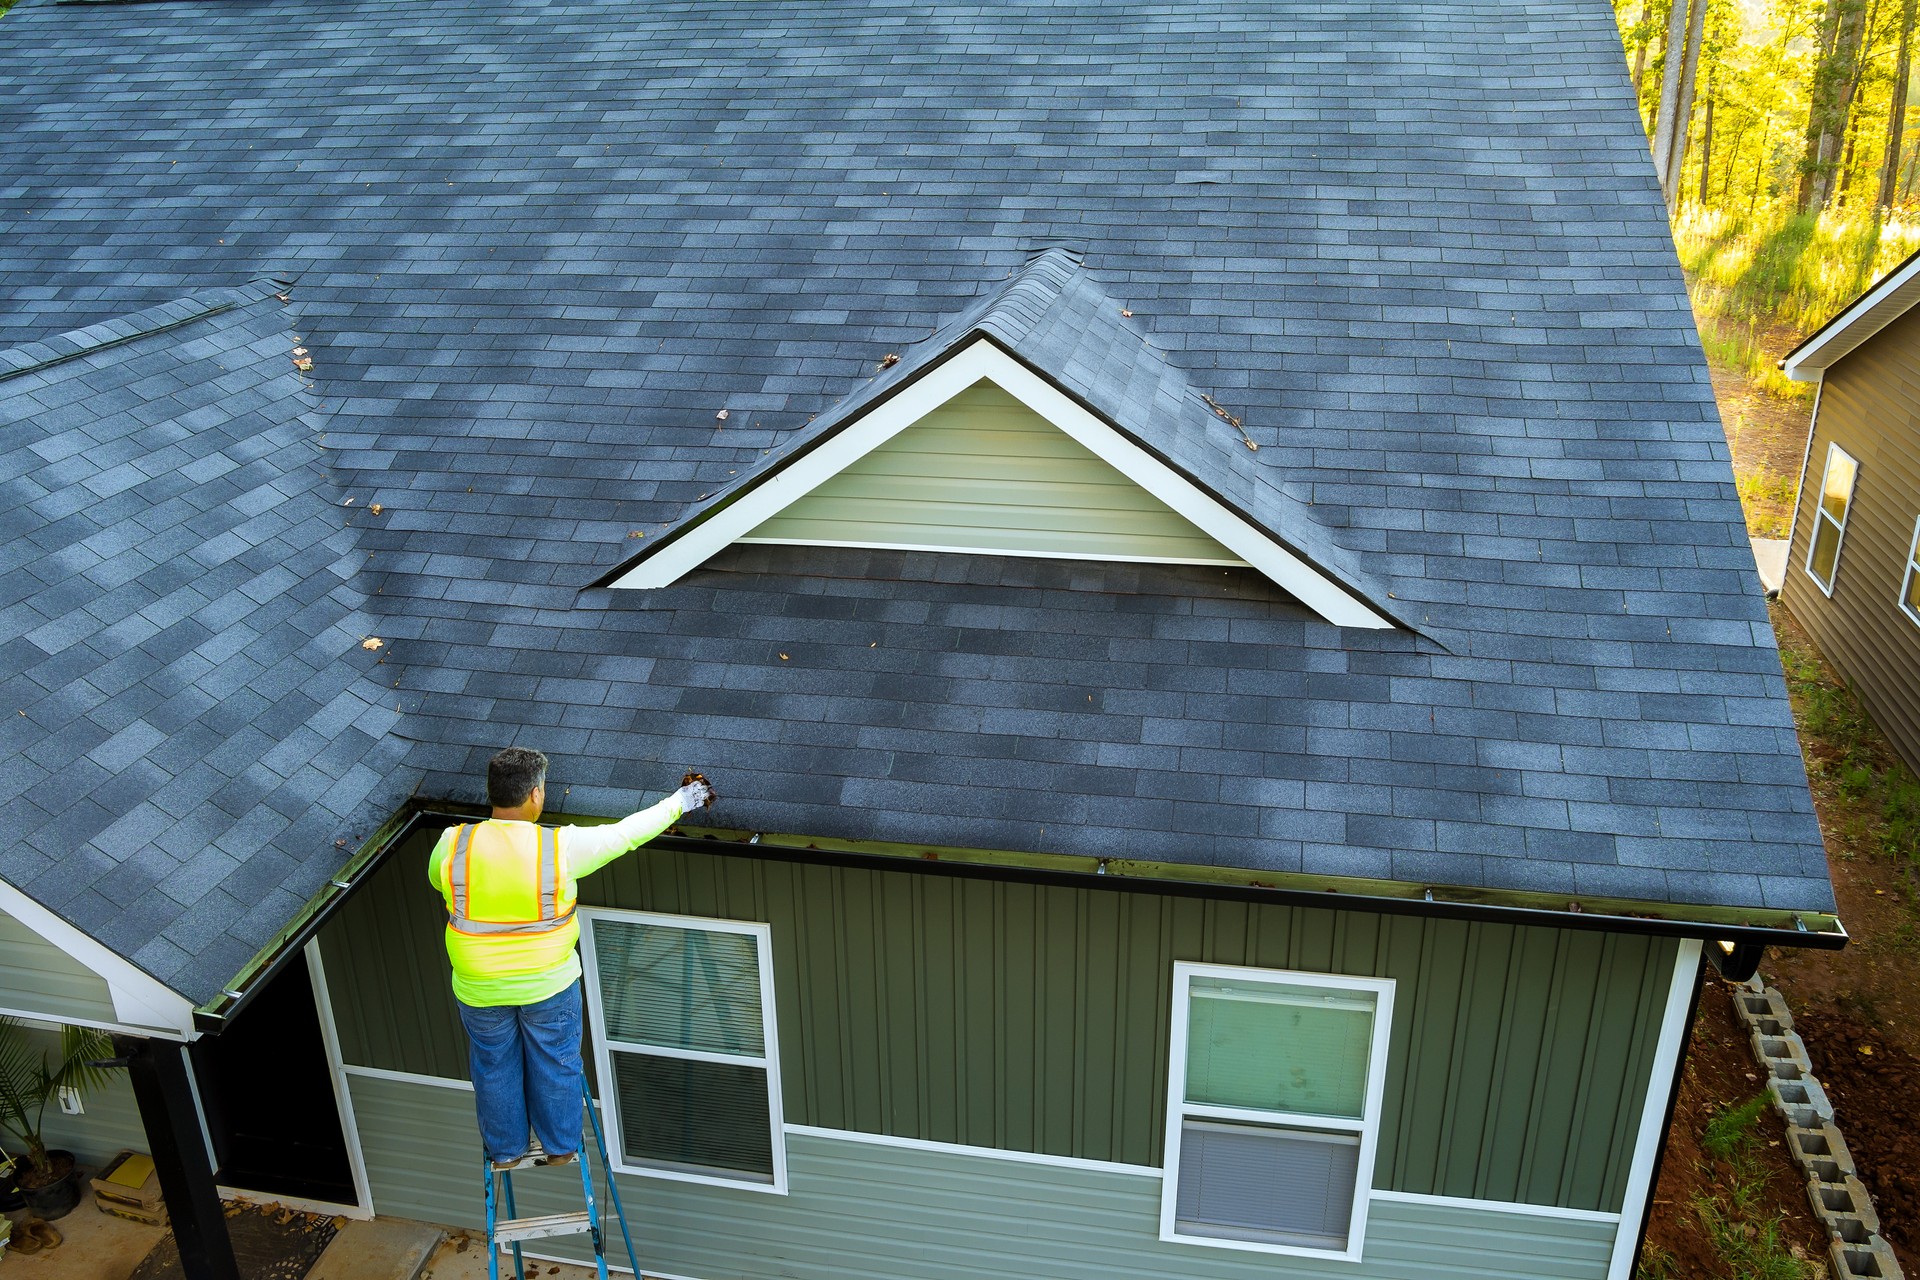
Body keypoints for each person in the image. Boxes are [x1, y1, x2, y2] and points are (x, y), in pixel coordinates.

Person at [428, 747, 713, 1170]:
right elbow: (627, 834)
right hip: (547, 984)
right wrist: (683, 800)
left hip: (479, 985)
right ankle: (560, 1146)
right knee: (555, 1061)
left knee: (493, 1066)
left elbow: (440, 883)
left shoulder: (452, 843)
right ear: (536, 795)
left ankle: (506, 1152)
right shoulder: (560, 847)